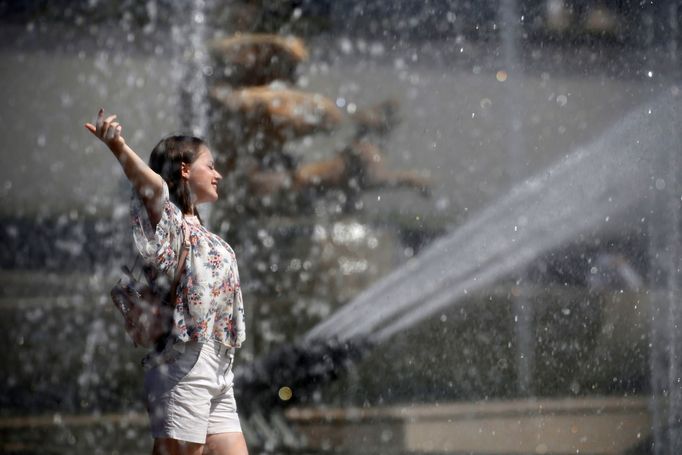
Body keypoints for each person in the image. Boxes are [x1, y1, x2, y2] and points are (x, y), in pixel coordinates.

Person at [85, 109, 248, 455]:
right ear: (185, 170)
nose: (218, 175)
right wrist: (119, 147)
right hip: (183, 362)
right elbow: (153, 187)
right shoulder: (170, 223)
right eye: (210, 166)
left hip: (218, 365)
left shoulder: (200, 230)